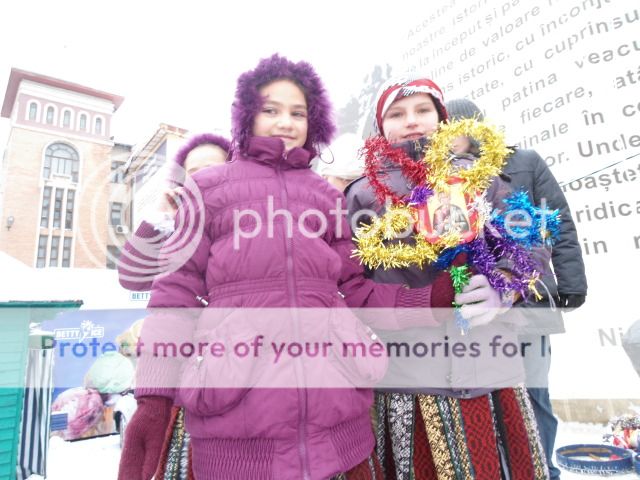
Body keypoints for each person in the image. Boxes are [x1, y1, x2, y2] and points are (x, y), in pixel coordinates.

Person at [118, 55, 463, 480]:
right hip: (238, 424)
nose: (285, 122)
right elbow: (174, 298)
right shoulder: (207, 190)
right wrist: (153, 399)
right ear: (247, 116)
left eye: (298, 113)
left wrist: (431, 298)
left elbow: (357, 290)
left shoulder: (325, 197)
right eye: (271, 110)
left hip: (340, 422)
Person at [345, 76, 549, 479]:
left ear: (441, 118)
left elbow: (531, 250)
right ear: (381, 126)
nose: (412, 122)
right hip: (408, 374)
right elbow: (350, 284)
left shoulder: (482, 179)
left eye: (423, 110)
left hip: (491, 368)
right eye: (397, 114)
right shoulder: (363, 195)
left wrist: (502, 288)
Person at [446, 97, 588, 480]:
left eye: (453, 128)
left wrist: (572, 281)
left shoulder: (523, 161)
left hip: (530, 299)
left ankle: (545, 472)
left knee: (534, 394)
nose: (447, 139)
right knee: (495, 403)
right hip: (480, 311)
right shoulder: (441, 174)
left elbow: (559, 221)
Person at [118, 133, 230, 292]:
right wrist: (161, 216)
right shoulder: (180, 228)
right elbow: (132, 278)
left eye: (211, 169)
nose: (203, 176)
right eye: (193, 172)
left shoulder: (256, 217)